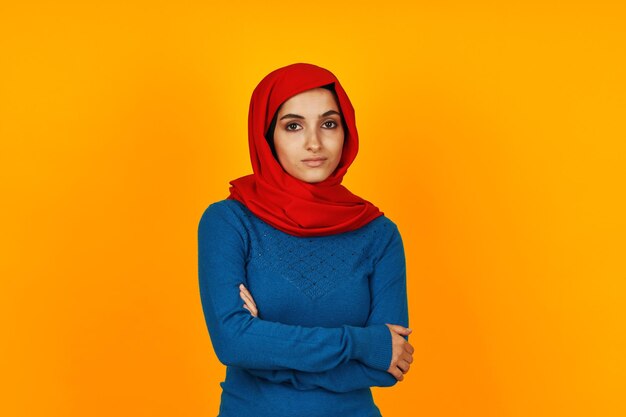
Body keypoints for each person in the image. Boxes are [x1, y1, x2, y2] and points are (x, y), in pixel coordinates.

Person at [197, 63, 413, 417]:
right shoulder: (229, 222)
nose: (314, 142)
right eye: (293, 126)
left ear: (347, 132)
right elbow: (233, 344)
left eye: (329, 124)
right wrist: (361, 342)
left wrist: (265, 347)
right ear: (267, 137)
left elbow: (388, 365)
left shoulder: (378, 233)